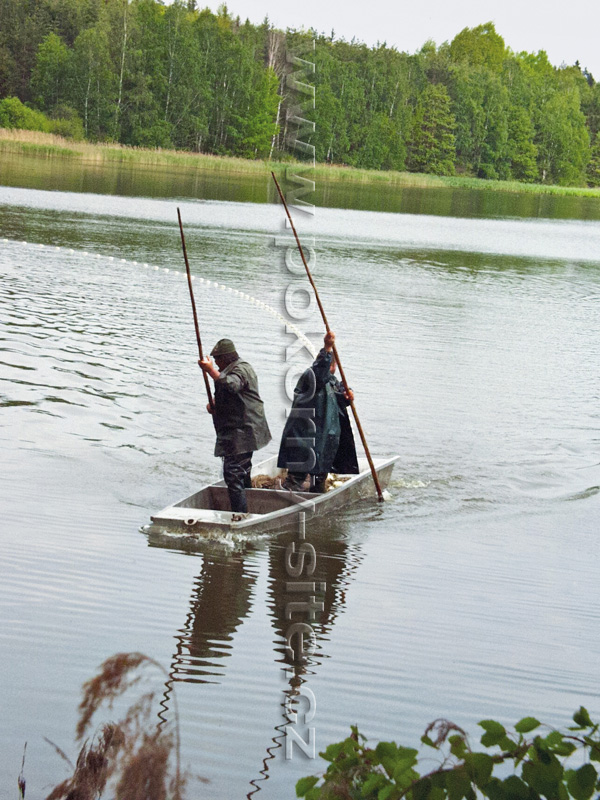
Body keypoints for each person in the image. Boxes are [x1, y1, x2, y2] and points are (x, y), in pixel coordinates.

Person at [278, 331, 359, 493]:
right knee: (297, 476)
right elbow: (320, 375)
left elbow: (339, 395)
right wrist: (327, 348)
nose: (331, 368)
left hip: (323, 441)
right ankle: (285, 501)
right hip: (304, 437)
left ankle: (318, 499)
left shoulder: (332, 380)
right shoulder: (311, 376)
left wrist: (348, 395)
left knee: (319, 476)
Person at [199, 338, 271, 514]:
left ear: (225, 358)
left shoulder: (240, 369)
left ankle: (240, 515)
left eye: (217, 360)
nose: (216, 363)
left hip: (244, 430)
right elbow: (231, 394)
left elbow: (232, 385)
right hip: (240, 429)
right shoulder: (232, 369)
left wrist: (210, 371)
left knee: (232, 473)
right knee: (242, 470)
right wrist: (215, 404)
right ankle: (248, 504)